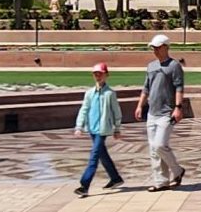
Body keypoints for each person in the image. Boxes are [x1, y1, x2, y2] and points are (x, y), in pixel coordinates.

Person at [136, 34, 186, 191]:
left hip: (167, 113)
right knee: (153, 150)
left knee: (159, 145)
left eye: (157, 47)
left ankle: (177, 170)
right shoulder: (151, 66)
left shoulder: (174, 66)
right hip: (152, 112)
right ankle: (161, 181)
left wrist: (178, 108)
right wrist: (140, 106)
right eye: (153, 48)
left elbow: (179, 88)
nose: (155, 50)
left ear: (166, 47)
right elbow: (146, 88)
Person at [72, 62, 125, 196]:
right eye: (96, 74)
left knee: (94, 157)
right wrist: (79, 126)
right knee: (102, 155)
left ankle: (84, 185)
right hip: (92, 129)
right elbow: (84, 109)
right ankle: (115, 178)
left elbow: (116, 111)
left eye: (100, 74)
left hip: (103, 130)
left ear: (106, 75)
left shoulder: (110, 94)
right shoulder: (89, 93)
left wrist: (117, 128)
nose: (98, 76)